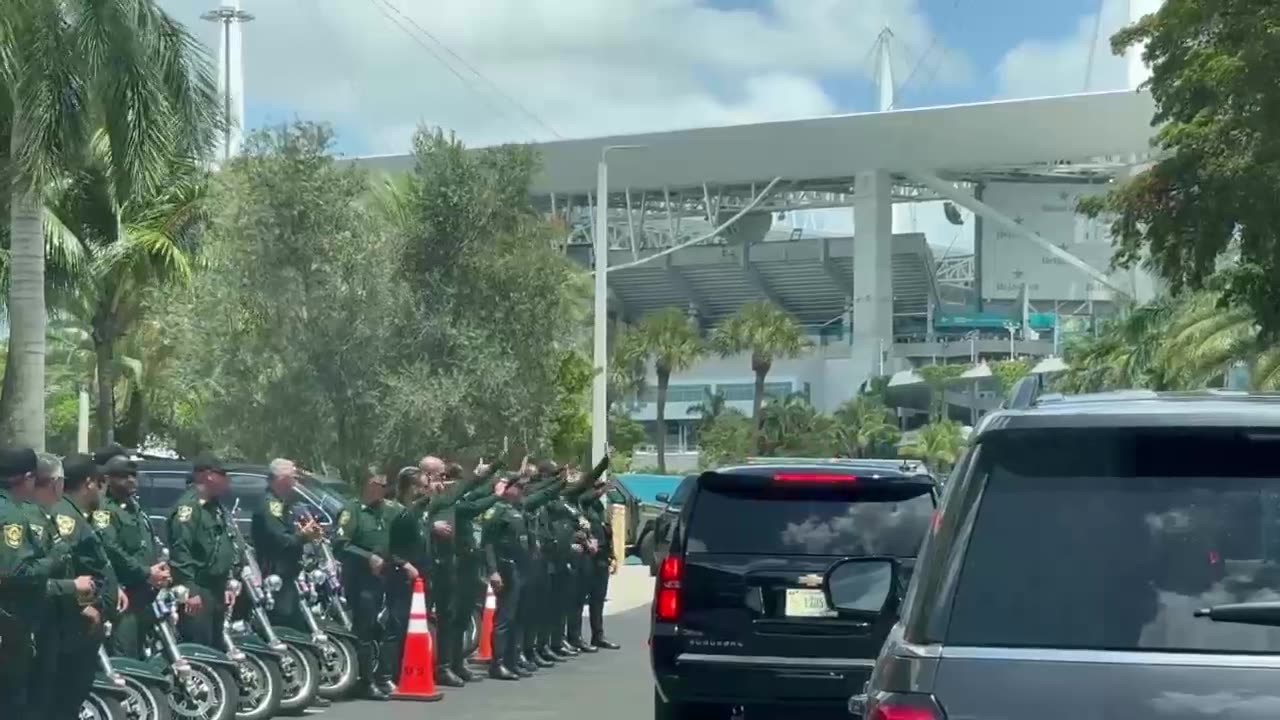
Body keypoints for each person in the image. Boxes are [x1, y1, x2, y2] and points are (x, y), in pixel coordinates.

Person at [47, 454, 119, 720]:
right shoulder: (66, 518)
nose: (103, 490)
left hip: (84, 628)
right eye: (101, 482)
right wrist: (82, 606)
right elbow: (63, 566)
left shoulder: (77, 515)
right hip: (74, 627)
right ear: (89, 483)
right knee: (63, 701)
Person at [333, 466, 399, 700]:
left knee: (384, 627)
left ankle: (384, 675)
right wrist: (367, 557)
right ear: (366, 486)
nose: (380, 490)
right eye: (376, 485)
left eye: (383, 486)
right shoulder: (353, 511)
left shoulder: (387, 511)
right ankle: (364, 681)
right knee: (365, 630)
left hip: (386, 578)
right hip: (361, 580)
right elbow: (341, 544)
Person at [97, 454, 171, 658]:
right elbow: (111, 549)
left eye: (133, 475)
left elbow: (147, 543)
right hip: (125, 594)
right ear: (109, 479)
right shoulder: (105, 510)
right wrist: (146, 572)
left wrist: (159, 566)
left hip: (146, 594)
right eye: (123, 476)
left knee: (144, 653)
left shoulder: (135, 508)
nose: (131, 480)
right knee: (125, 654)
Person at [167, 455, 238, 648]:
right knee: (199, 647)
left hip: (215, 589)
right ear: (208, 476)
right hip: (199, 589)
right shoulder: (188, 507)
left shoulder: (215, 507)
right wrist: (191, 590)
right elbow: (181, 551)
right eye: (222, 474)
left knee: (216, 646)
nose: (227, 480)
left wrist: (225, 586)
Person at [251, 458, 322, 632]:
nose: (295, 481)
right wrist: (304, 536)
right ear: (282, 478)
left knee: (296, 623)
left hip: (288, 573)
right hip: (276, 575)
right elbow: (281, 540)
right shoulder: (271, 504)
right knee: (284, 626)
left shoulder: (285, 504)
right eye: (293, 476)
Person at [481, 471, 537, 680]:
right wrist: (493, 571)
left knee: (517, 617)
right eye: (519, 487)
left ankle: (513, 660)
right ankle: (498, 663)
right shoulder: (497, 511)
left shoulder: (515, 510)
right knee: (504, 618)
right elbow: (487, 543)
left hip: (520, 569)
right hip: (505, 568)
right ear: (508, 488)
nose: (522, 491)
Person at [580, 473, 621, 650]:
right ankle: (574, 637)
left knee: (598, 598)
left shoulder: (598, 507)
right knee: (580, 598)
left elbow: (606, 531)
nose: (601, 490)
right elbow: (587, 497)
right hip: (587, 556)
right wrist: (601, 489)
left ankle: (598, 635)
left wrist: (612, 554)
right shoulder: (582, 503)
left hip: (601, 556)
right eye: (597, 487)